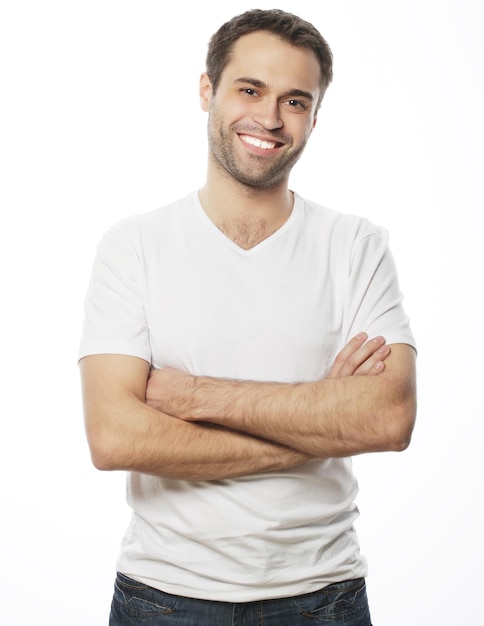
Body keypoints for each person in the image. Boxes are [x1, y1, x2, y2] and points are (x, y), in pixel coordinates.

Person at [79, 8, 417, 626]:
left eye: (295, 100)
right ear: (207, 89)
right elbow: (115, 436)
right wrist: (319, 421)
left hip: (324, 596)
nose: (268, 118)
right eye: (250, 89)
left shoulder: (356, 246)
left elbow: (388, 417)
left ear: (316, 115)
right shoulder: (133, 246)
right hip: (162, 596)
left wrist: (195, 395)